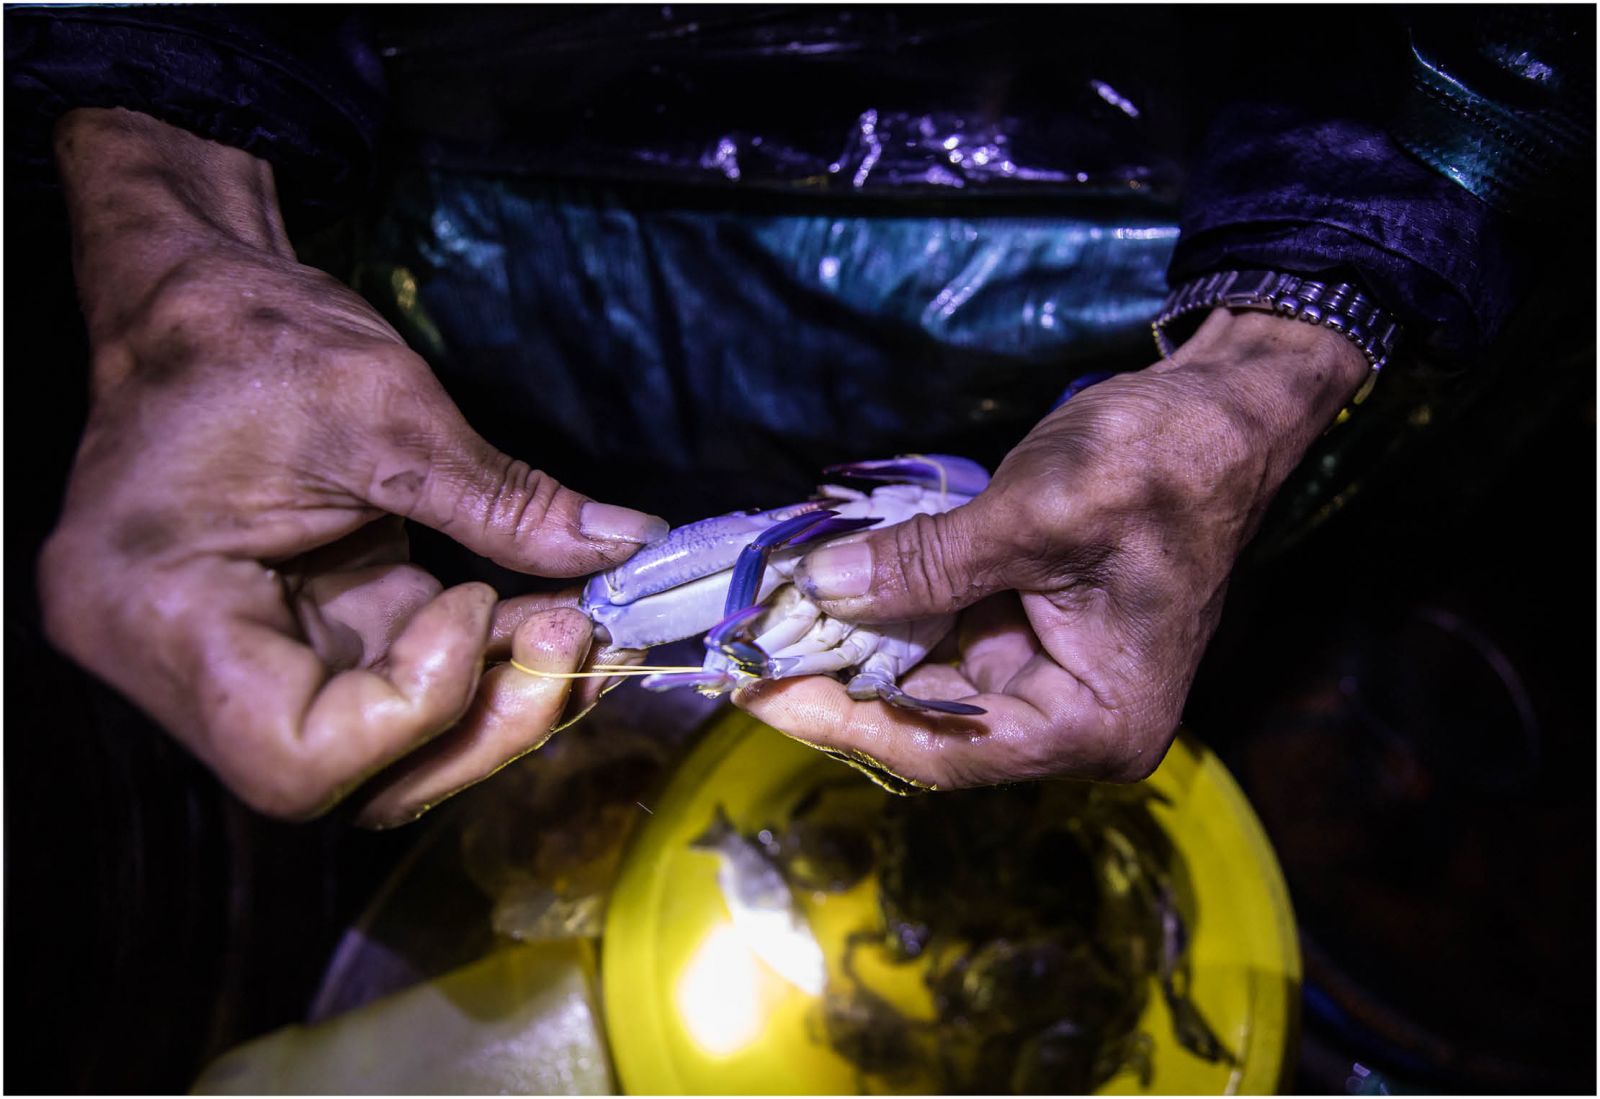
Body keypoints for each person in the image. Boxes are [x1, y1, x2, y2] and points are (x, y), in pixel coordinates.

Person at [10, 6, 1590, 823]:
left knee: (1104, 620)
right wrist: (177, 239)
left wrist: (1272, 355)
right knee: (576, 608)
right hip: (468, 253)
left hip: (1161, 255)